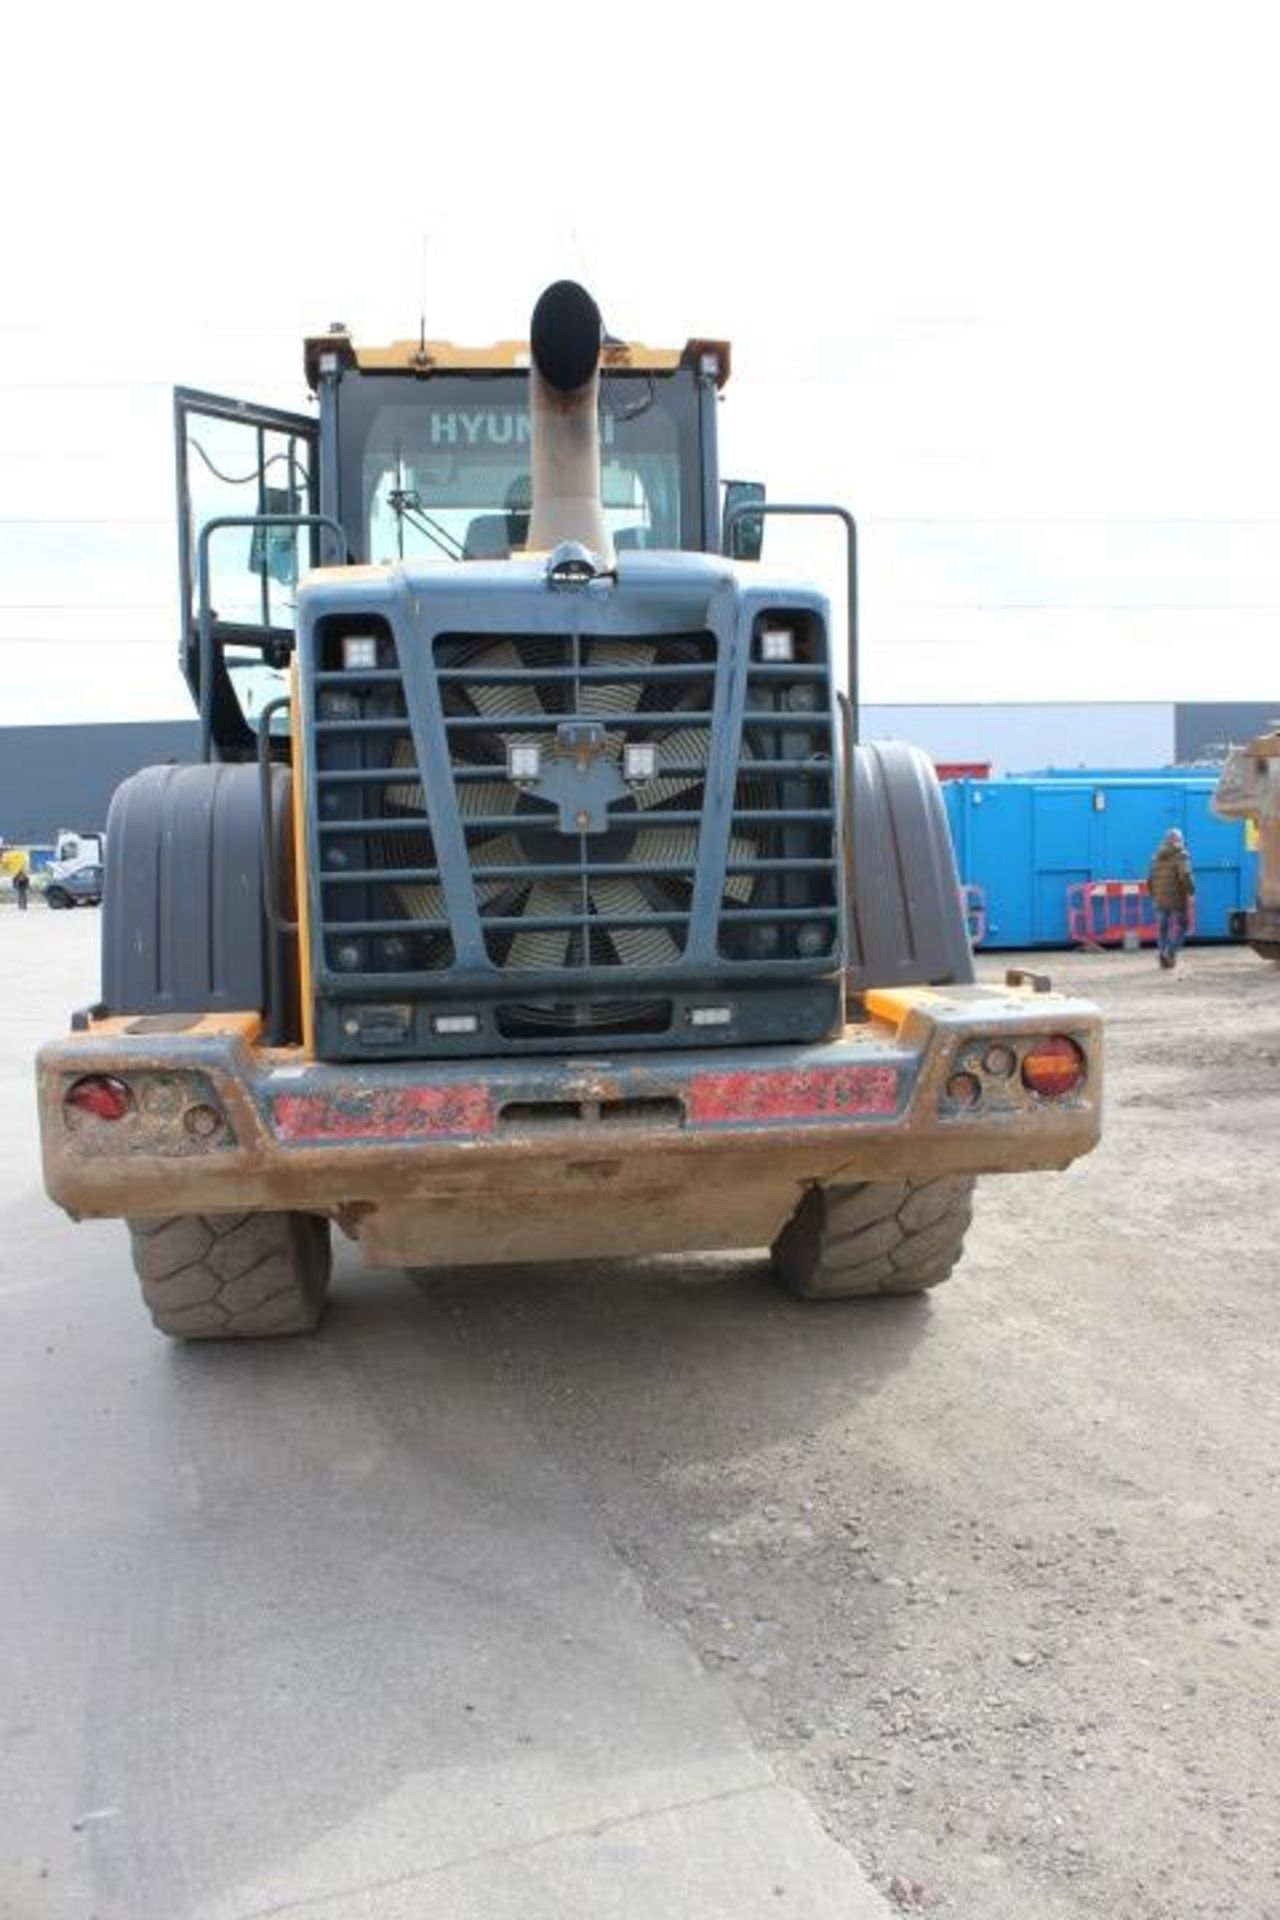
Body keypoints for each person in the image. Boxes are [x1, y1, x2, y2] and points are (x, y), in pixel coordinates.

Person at [1147, 828, 1194, 969]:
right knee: (1183, 926)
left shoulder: (1156, 857)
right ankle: (1170, 952)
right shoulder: (1181, 855)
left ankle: (1163, 954)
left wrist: (1154, 896)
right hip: (1177, 898)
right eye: (1181, 839)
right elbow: (1185, 876)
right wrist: (1191, 891)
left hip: (1159, 899)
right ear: (1177, 840)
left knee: (1163, 929)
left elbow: (1149, 880)